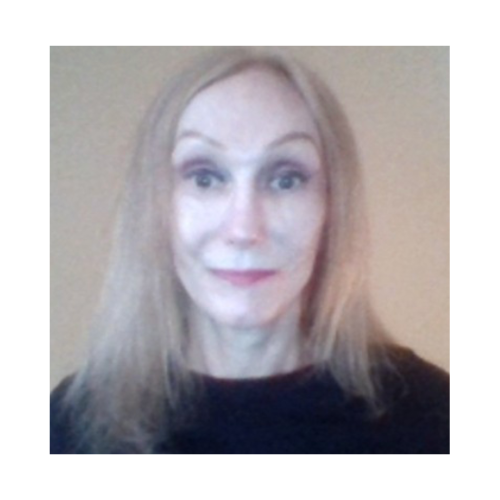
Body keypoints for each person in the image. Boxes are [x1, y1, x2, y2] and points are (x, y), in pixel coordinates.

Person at [51, 48, 449, 454]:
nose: (244, 230)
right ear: (155, 206)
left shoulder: (432, 416)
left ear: (331, 206)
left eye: (286, 179)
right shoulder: (69, 426)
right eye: (205, 177)